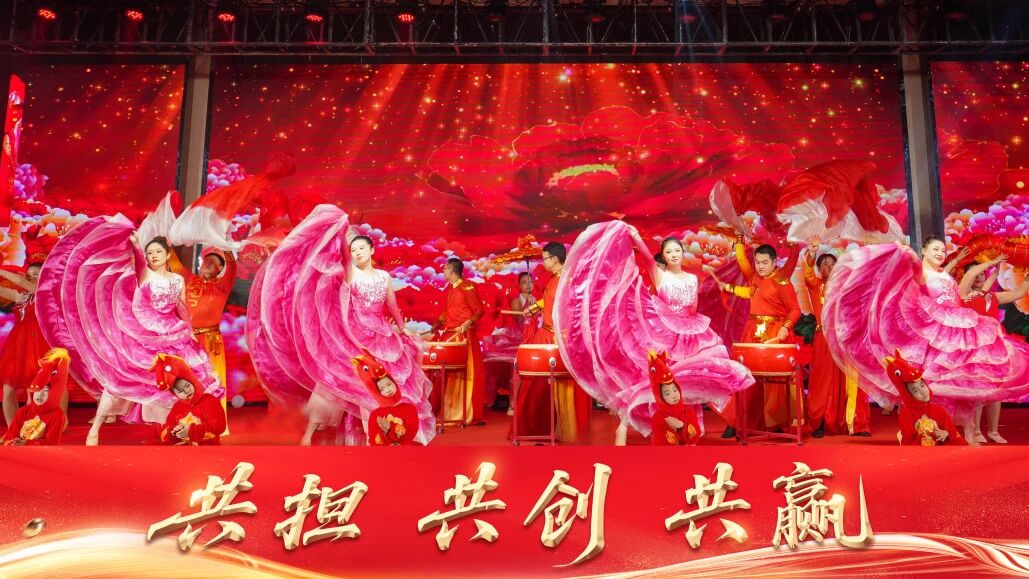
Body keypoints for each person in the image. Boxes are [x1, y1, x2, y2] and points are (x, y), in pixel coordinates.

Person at [246, 206, 435, 446]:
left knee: (380, 384)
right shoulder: (351, 275)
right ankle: (310, 433)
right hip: (354, 334)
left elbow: (392, 305)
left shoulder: (384, 277)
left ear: (371, 250)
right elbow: (340, 262)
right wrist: (339, 227)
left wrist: (403, 328)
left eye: (362, 248)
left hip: (381, 337)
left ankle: (380, 434)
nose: (358, 253)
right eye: (354, 250)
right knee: (335, 379)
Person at [554, 222, 752, 445]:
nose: (673, 255)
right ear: (664, 256)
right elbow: (648, 257)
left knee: (688, 380)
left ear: (682, 252)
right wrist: (635, 236)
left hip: (692, 332)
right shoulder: (659, 274)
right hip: (666, 332)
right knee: (661, 381)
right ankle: (628, 423)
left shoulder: (692, 278)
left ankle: (690, 429)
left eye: (676, 250)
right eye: (669, 252)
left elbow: (693, 307)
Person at [35, 221, 220, 446]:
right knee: (122, 381)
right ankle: (95, 428)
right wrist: (135, 243)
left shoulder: (178, 280)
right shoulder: (145, 276)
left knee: (175, 384)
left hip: (172, 334)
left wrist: (188, 331)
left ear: (167, 254)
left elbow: (181, 308)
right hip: (144, 337)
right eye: (150, 253)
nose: (153, 256)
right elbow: (140, 262)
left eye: (158, 252)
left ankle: (177, 429)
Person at [822, 237, 1029, 429]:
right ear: (923, 251)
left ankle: (948, 427)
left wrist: (957, 263)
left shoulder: (943, 272)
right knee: (930, 377)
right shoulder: (921, 272)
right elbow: (915, 285)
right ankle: (925, 425)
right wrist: (904, 255)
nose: (940, 253)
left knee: (951, 375)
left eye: (943, 250)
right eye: (935, 249)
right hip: (932, 326)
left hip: (952, 327)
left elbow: (952, 287)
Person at [707, 242, 802, 437]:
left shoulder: (782, 281)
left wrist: (785, 327)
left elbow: (795, 310)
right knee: (745, 377)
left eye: (764, 263)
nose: (760, 266)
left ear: (774, 262)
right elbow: (748, 281)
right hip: (752, 332)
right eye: (757, 262)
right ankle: (737, 420)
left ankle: (775, 423)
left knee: (774, 384)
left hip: (774, 334)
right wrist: (739, 243)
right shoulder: (755, 278)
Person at [517, 242, 591, 444]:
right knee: (536, 384)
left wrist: (562, 335)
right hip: (546, 334)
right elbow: (549, 301)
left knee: (562, 386)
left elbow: (571, 310)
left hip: (559, 338)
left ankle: (565, 431)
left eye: (545, 258)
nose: (543, 262)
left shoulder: (568, 280)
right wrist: (535, 308)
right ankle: (539, 428)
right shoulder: (555, 278)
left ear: (555, 259)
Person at [958, 253, 1029, 445]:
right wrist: (990, 263)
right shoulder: (963, 295)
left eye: (982, 274)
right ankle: (976, 430)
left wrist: (1027, 279)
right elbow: (970, 274)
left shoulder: (992, 296)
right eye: (976, 273)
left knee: (996, 391)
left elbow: (1017, 294)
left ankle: (994, 431)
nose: (979, 276)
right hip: (975, 348)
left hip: (995, 349)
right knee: (979, 390)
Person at [802, 239, 870, 438]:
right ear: (819, 269)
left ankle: (855, 424)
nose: (830, 267)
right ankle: (820, 422)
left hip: (844, 338)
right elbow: (807, 274)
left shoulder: (847, 288)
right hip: (823, 338)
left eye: (833, 264)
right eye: (825, 264)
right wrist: (811, 254)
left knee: (851, 381)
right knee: (822, 382)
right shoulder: (816, 286)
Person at [169, 248, 236, 433]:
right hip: (188, 339)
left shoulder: (222, 285)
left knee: (213, 382)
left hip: (210, 340)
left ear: (220, 269)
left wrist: (226, 248)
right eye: (206, 260)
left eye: (213, 262)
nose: (207, 263)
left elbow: (232, 267)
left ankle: (215, 426)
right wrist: (166, 243)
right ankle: (185, 423)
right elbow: (174, 264)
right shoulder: (189, 279)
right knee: (186, 380)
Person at [423, 257, 486, 426]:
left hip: (464, 337)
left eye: (444, 269)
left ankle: (464, 412)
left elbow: (479, 310)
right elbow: (448, 311)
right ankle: (449, 410)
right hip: (450, 335)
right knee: (447, 376)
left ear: (451, 271)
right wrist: (437, 324)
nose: (443, 272)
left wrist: (469, 322)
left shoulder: (467, 287)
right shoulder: (451, 289)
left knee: (465, 375)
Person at [0, 262, 62, 426]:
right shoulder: (20, 295)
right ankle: (12, 430)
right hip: (17, 344)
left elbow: (21, 281)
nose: (31, 277)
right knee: (8, 390)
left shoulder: (46, 291)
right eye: (29, 274)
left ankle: (33, 427)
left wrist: (1, 271)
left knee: (36, 389)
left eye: (35, 274)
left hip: (39, 343)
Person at [885, 350, 964, 447]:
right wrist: (923, 436)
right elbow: (908, 444)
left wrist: (947, 434)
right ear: (908, 395)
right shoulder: (906, 414)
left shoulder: (939, 411)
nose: (922, 391)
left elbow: (955, 436)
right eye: (915, 391)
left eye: (922, 386)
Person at [152, 353, 226, 446]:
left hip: (207, 448)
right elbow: (165, 431)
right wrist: (173, 431)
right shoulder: (177, 406)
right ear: (175, 394)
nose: (186, 391)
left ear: (193, 381)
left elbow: (219, 426)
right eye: (180, 391)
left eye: (187, 385)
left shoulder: (210, 401)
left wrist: (192, 431)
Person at [351, 348, 420, 445]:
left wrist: (390, 428)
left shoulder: (410, 409)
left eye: (388, 384)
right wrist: (388, 431)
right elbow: (374, 441)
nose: (388, 390)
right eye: (382, 388)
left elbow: (410, 435)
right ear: (378, 392)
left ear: (394, 382)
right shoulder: (375, 415)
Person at [2, 348, 69, 446]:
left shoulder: (57, 416)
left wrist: (27, 443)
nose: (39, 395)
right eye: (37, 391)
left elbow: (51, 443)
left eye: (45, 391)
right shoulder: (23, 412)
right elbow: (11, 436)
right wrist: (12, 441)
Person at [647, 351, 701, 446]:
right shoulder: (658, 418)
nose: (674, 395)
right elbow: (659, 444)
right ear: (660, 397)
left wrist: (682, 426)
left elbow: (695, 437)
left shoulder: (688, 413)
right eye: (667, 393)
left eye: (675, 390)